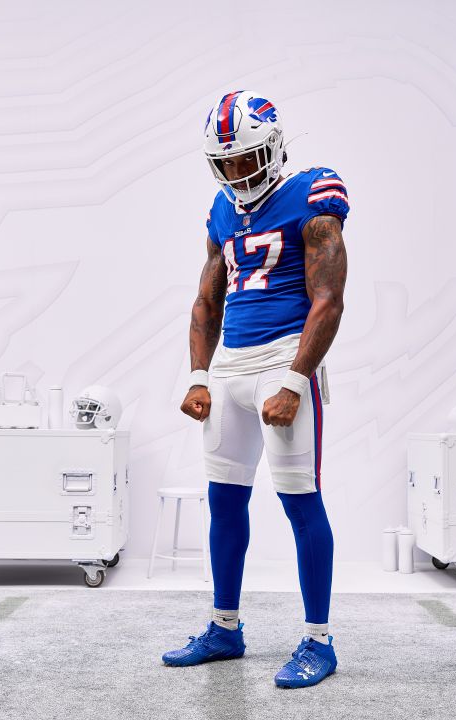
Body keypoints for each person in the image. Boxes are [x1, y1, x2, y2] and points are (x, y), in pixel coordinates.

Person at [161, 90, 349, 689]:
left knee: (299, 499)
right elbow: (206, 299)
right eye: (228, 162)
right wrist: (197, 374)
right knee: (223, 501)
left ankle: (319, 640)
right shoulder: (220, 210)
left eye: (248, 158)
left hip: (280, 360)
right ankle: (225, 627)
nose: (238, 171)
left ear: (273, 147)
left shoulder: (313, 193)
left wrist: (295, 380)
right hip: (231, 367)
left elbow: (329, 299)